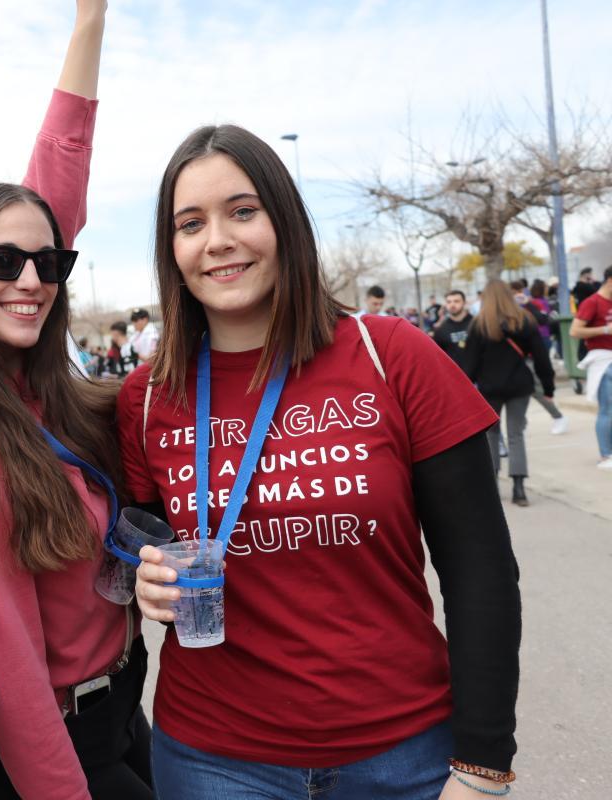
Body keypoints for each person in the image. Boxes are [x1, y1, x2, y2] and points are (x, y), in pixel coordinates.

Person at [126, 124, 520, 799]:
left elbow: (480, 566)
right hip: (212, 761)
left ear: (286, 222)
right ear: (172, 250)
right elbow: (139, 539)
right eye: (190, 223)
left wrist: (484, 766)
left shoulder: (391, 354)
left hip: (403, 752)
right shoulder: (145, 397)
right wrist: (142, 578)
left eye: (243, 211)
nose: (217, 239)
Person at [0, 5, 152, 798]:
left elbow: (54, 184)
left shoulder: (40, 391)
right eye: (3, 261)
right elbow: (9, 658)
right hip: (56, 746)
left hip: (119, 704)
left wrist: (90, 23)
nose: (31, 280)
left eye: (48, 263)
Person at [463, 279, 555, 506]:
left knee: (490, 436)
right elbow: (541, 358)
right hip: (519, 385)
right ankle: (519, 488)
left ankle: (492, 485)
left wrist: (465, 390)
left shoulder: (479, 324)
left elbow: (470, 365)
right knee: (516, 435)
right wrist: (548, 386)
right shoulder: (524, 320)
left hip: (489, 387)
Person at [570, 264, 612, 469]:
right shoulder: (592, 302)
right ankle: (606, 455)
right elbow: (574, 331)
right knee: (608, 409)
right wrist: (605, 329)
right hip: (603, 361)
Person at [526, 279, 568, 434]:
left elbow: (544, 318)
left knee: (535, 387)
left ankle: (557, 416)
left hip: (537, 344)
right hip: (532, 346)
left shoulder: (533, 304)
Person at [432, 290, 473, 369]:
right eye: (449, 302)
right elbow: (439, 357)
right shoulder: (440, 330)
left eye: (456, 301)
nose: (452, 304)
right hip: (456, 374)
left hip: (478, 377)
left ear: (464, 303)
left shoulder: (477, 324)